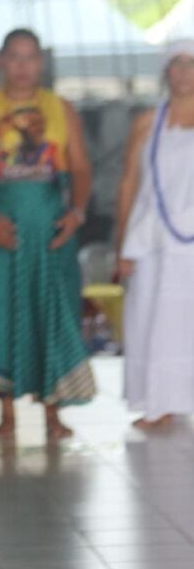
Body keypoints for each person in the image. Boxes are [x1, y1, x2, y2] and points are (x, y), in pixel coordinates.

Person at [0, 28, 95, 440]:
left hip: (51, 231)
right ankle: (7, 413)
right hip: (1, 230)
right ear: (1, 61)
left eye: (30, 57)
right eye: (14, 57)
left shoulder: (60, 109)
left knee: (50, 310)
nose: (22, 66)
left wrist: (77, 213)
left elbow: (82, 168)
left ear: (42, 62)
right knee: (3, 309)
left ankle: (54, 412)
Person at [116, 39, 194, 429]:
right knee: (151, 314)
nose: (185, 72)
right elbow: (130, 181)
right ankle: (158, 401)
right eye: (177, 64)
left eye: (192, 64)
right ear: (167, 71)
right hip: (151, 234)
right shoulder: (148, 122)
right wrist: (121, 244)